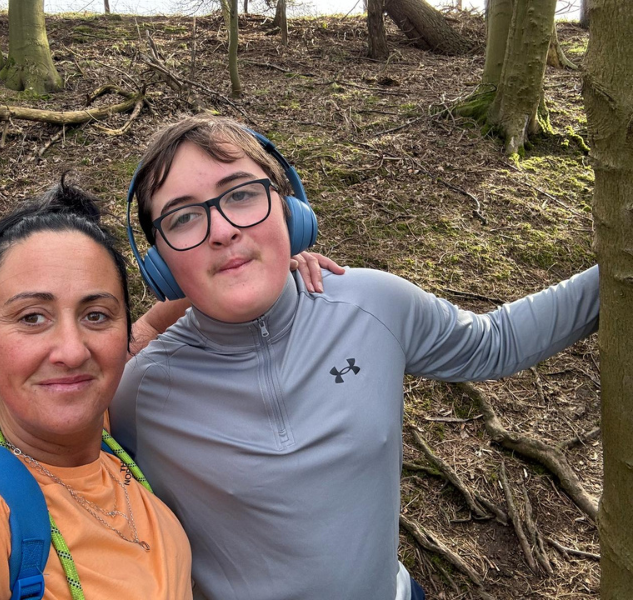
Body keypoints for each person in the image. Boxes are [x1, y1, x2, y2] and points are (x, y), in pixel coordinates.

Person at [109, 116, 601, 600]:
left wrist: (618, 270)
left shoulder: (373, 304)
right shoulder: (137, 393)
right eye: (183, 217)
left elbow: (496, 342)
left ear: (291, 212)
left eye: (241, 194)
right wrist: (145, 328)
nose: (222, 230)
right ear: (161, 265)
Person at [0, 180, 338, 600]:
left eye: (96, 315)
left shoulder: (105, 430)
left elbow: (154, 322)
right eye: (32, 317)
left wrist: (264, 269)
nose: (73, 351)